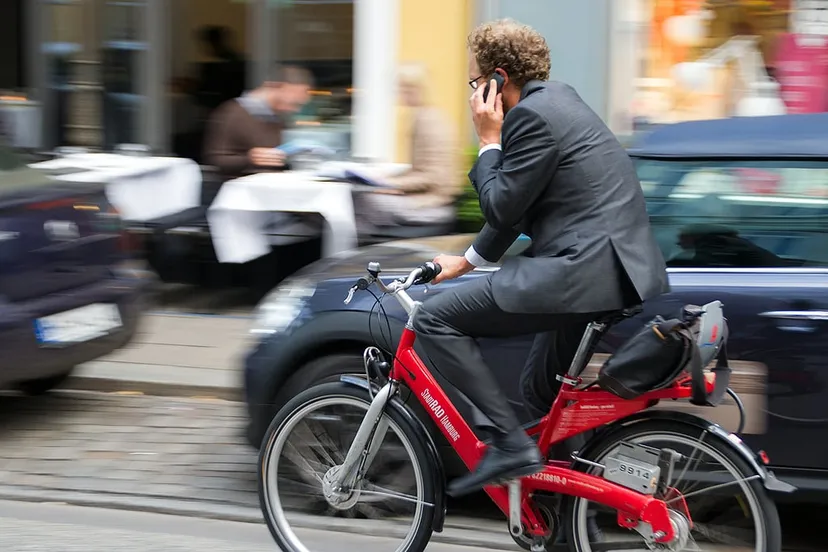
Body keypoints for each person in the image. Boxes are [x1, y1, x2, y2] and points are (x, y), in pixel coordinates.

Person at [412, 19, 670, 497]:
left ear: (497, 80)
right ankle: (583, 500)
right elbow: (518, 208)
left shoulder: (531, 118)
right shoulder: (559, 102)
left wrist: (488, 140)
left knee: (434, 320)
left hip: (582, 271)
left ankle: (507, 444)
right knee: (540, 391)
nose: (472, 93)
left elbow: (503, 204)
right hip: (609, 270)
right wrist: (466, 260)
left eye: (475, 82)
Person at [353, 63, 460, 232]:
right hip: (423, 197)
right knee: (363, 199)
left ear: (416, 89)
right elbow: (419, 169)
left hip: (432, 203)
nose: (399, 93)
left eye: (402, 88)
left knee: (362, 202)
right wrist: (385, 180)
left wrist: (389, 185)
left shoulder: (430, 121)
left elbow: (433, 176)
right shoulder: (422, 116)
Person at [203, 64, 313, 178]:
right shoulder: (232, 112)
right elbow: (216, 160)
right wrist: (250, 158)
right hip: (242, 190)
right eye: (294, 103)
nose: (295, 109)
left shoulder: (278, 117)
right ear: (276, 87)